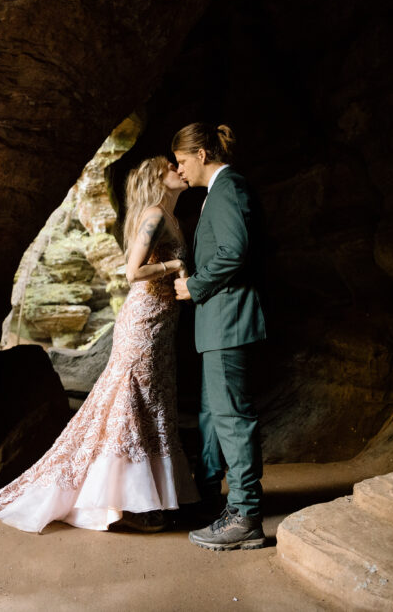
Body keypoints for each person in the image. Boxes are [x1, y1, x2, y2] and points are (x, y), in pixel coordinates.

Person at [0, 156, 199, 536]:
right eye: (169, 168)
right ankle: (124, 503)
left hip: (161, 321)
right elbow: (132, 272)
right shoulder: (154, 215)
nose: (179, 170)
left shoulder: (169, 216)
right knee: (131, 401)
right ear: (156, 179)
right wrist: (173, 269)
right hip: (143, 320)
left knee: (152, 401)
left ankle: (146, 498)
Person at [172, 122, 267, 551]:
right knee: (216, 417)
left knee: (231, 419)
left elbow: (234, 250)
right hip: (219, 326)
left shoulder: (229, 188)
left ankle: (245, 516)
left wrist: (194, 285)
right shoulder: (219, 191)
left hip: (229, 322)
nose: (180, 169)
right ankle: (216, 502)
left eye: (182, 160)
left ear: (202, 155)